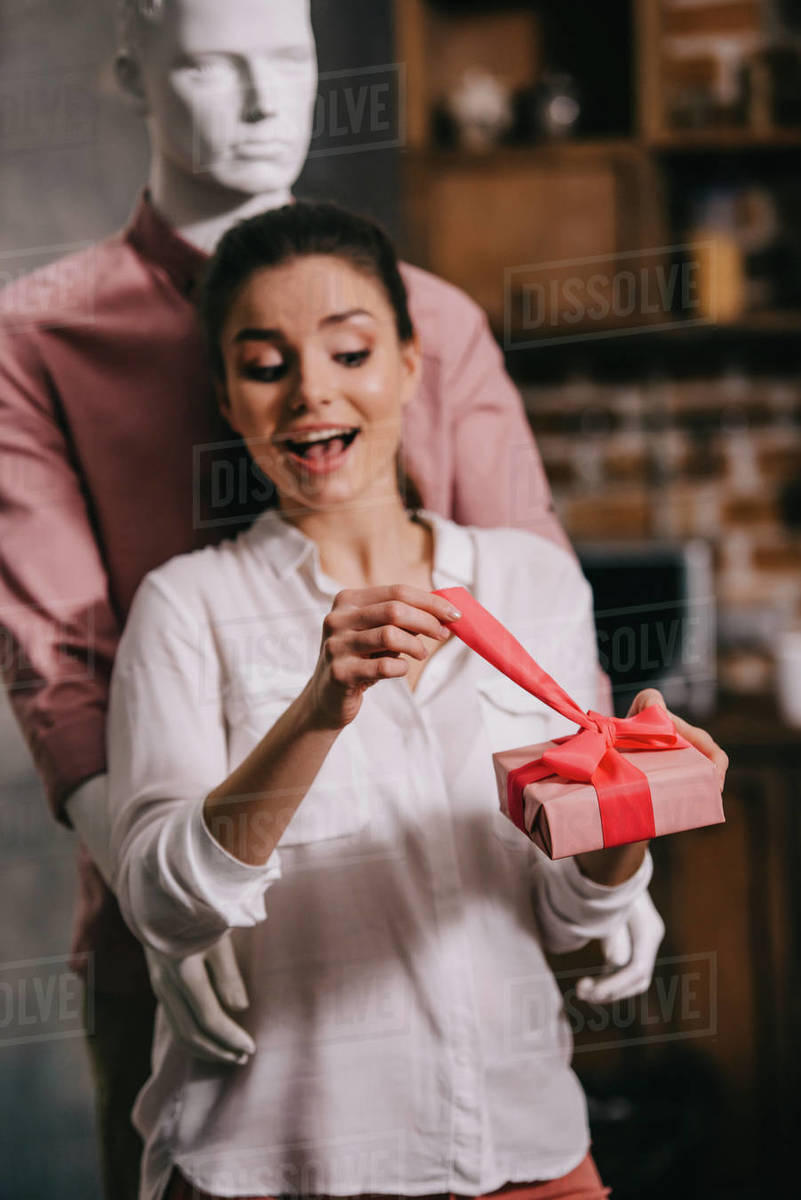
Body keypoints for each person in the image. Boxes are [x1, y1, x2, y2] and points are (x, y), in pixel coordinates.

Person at [0, 3, 696, 1197]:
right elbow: (60, 664)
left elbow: (526, 610)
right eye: (215, 67)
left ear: (402, 360)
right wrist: (170, 903)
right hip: (195, 937)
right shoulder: (35, 335)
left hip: (472, 975)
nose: (266, 104)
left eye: (289, 61)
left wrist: (612, 844)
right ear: (133, 70)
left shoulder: (440, 317)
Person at [105, 200, 727, 1200]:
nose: (312, 392)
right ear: (228, 399)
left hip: (523, 1147)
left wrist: (633, 811)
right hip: (275, 1162)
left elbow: (569, 913)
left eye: (349, 353)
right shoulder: (188, 608)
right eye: (266, 366)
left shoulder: (533, 584)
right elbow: (165, 905)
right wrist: (320, 705)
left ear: (408, 362)